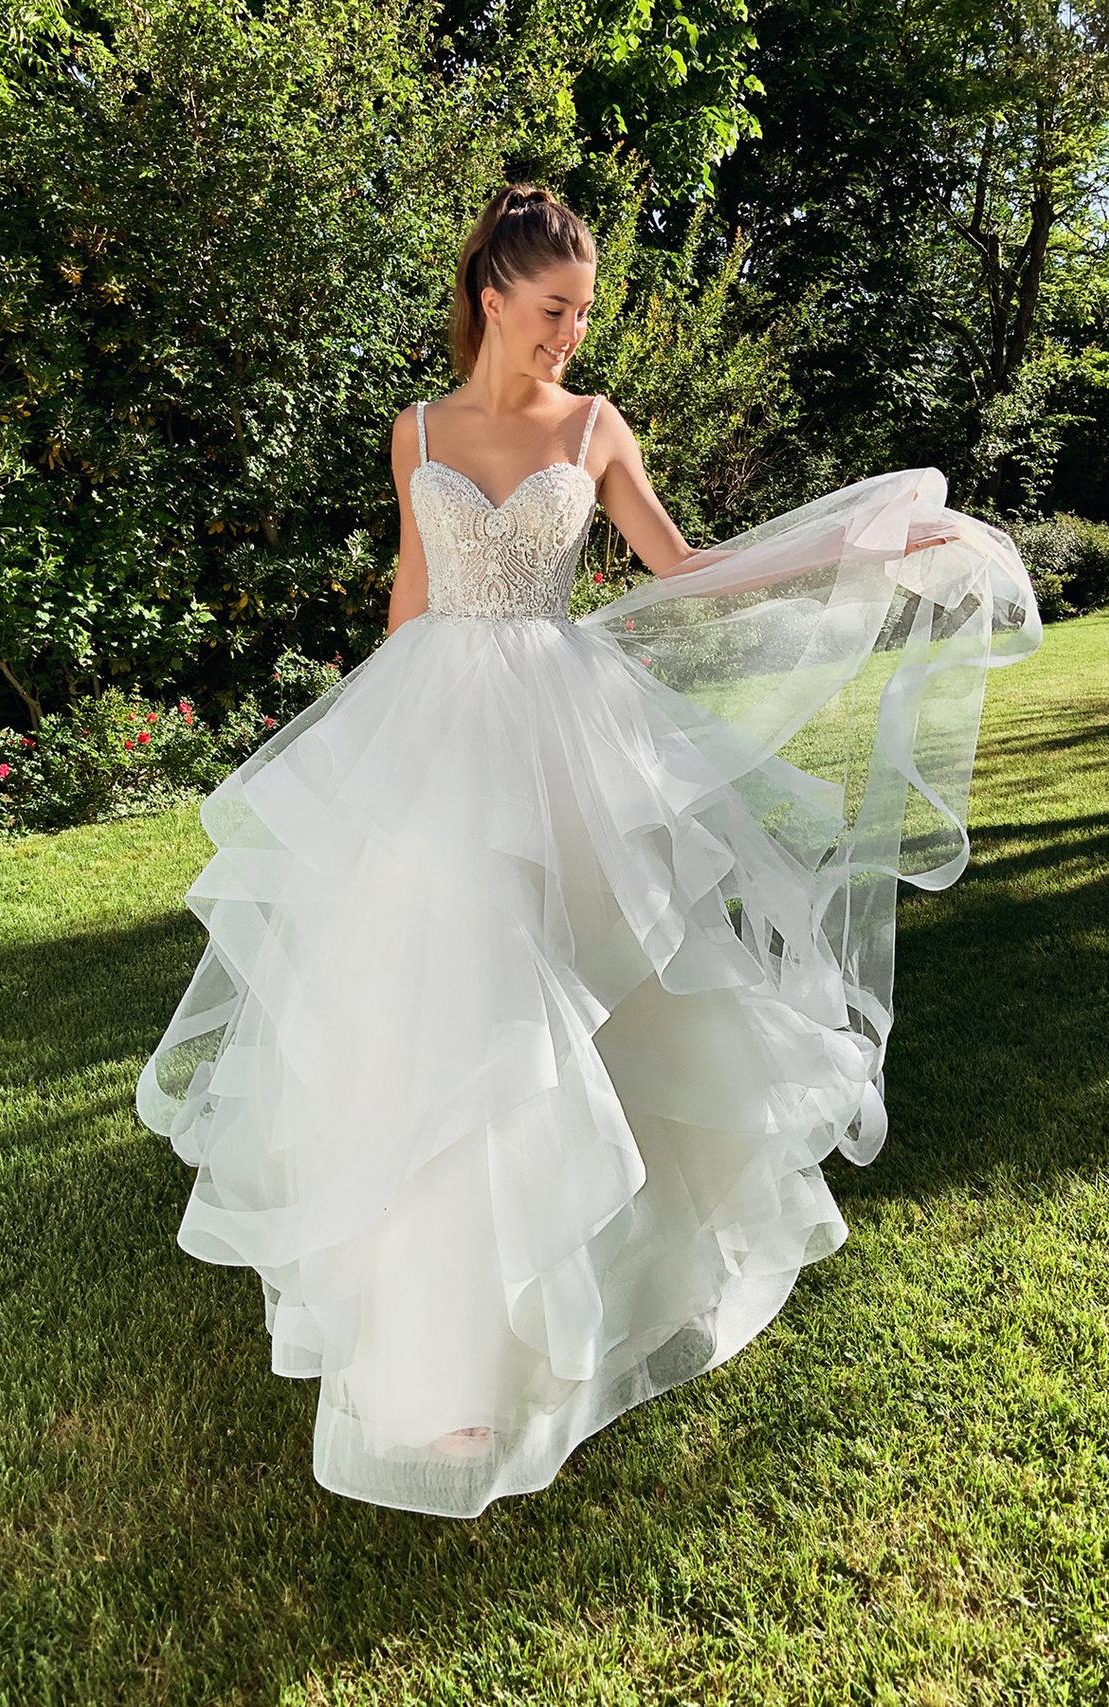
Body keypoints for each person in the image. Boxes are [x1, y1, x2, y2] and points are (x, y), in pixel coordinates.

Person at [136, 182, 1042, 1518]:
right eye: (554, 309)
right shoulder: (419, 430)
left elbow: (681, 567)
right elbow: (412, 591)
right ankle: (447, 1369)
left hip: (566, 737)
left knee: (599, 1005)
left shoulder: (596, 425)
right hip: (436, 734)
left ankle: (607, 1283)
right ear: (494, 295)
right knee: (453, 1023)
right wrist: (366, 750)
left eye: (582, 315)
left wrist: (870, 542)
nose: (569, 335)